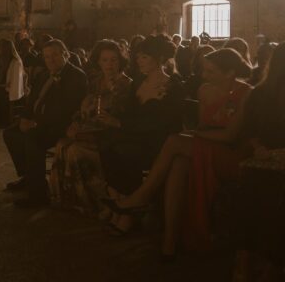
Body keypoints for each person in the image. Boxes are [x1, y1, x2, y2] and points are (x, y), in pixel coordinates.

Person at [103, 48, 253, 259]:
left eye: (211, 71)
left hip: (231, 154)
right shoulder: (204, 90)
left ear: (229, 73)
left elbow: (230, 136)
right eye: (204, 70)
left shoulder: (246, 93)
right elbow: (203, 127)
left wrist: (196, 137)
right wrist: (196, 135)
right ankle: (170, 243)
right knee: (178, 163)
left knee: (174, 141)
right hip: (207, 146)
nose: (204, 75)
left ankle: (141, 196)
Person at [98, 34, 185, 236]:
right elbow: (129, 113)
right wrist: (111, 115)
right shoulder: (138, 82)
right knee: (106, 144)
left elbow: (161, 123)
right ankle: (121, 203)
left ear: (159, 58)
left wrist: (120, 123)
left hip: (159, 142)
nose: (138, 61)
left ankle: (126, 213)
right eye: (138, 57)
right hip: (135, 135)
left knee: (123, 150)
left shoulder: (173, 87)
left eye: (144, 57)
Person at [49, 40, 132, 217]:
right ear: (98, 62)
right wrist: (76, 122)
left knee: (75, 151)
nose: (109, 65)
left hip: (111, 134)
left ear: (120, 61)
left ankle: (97, 203)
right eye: (105, 60)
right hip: (90, 129)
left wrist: (111, 99)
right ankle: (70, 200)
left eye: (113, 60)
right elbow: (83, 108)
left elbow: (123, 116)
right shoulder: (95, 82)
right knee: (62, 145)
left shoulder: (125, 84)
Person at [3, 39, 87, 207]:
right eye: (47, 57)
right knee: (11, 133)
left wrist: (36, 123)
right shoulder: (43, 75)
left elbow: (67, 108)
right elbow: (32, 100)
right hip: (39, 122)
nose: (51, 60)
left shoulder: (76, 76)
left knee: (33, 138)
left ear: (65, 54)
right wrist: (25, 118)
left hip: (61, 124)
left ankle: (38, 195)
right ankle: (29, 176)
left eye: (55, 55)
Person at [231, 43, 285, 279]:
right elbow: (248, 130)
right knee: (257, 192)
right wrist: (259, 147)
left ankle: (267, 260)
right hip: (264, 161)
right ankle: (249, 257)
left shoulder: (260, 93)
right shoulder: (260, 94)